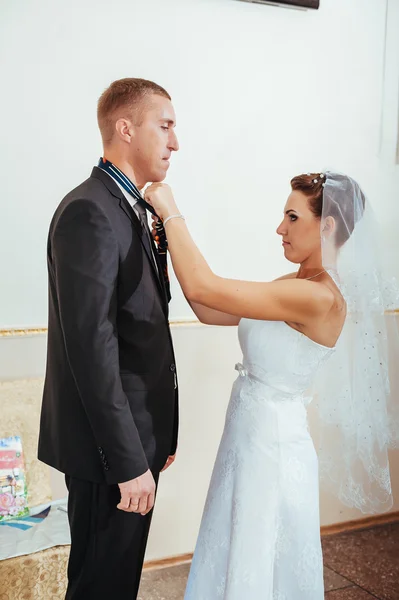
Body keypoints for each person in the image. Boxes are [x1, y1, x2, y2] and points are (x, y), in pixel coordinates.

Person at [145, 172, 399, 599]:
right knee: (234, 542)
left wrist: (171, 210)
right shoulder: (292, 286)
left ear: (328, 226)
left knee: (258, 552)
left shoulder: (319, 297)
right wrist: (164, 249)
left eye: (291, 216)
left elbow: (206, 286)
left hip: (272, 447)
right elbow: (208, 306)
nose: (280, 228)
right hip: (247, 439)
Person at [38, 78, 179, 600]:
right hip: (109, 452)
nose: (175, 142)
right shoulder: (89, 211)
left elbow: (138, 328)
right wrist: (126, 459)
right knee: (101, 585)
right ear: (126, 129)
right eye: (164, 126)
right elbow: (91, 347)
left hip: (134, 439)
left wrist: (160, 433)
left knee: (115, 581)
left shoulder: (128, 207)